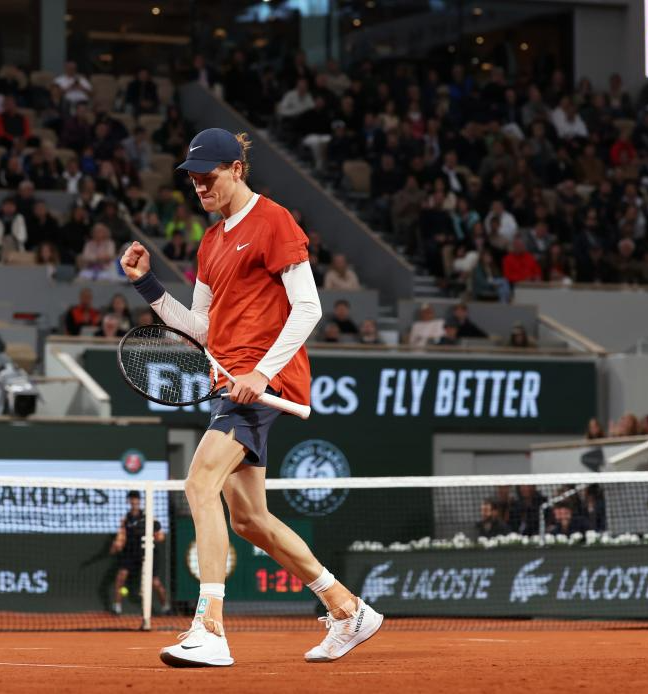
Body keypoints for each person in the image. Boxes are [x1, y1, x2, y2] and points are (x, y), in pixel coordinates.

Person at [120, 128, 381, 667]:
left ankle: (210, 627)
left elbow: (309, 308)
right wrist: (147, 285)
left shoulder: (274, 220)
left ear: (237, 169)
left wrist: (262, 374)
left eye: (208, 176)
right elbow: (200, 330)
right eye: (193, 180)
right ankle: (347, 608)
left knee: (199, 483)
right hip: (231, 382)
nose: (200, 186)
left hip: (263, 383)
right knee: (249, 519)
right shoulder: (210, 242)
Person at [109, 490, 171, 616]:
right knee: (121, 577)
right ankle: (117, 607)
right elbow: (121, 537)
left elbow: (161, 537)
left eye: (136, 498)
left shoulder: (148, 517)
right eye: (131, 498)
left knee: (155, 582)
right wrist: (117, 545)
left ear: (139, 500)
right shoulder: (125, 519)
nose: (134, 501)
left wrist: (152, 534)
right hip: (131, 552)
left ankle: (166, 607)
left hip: (147, 552)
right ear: (128, 501)